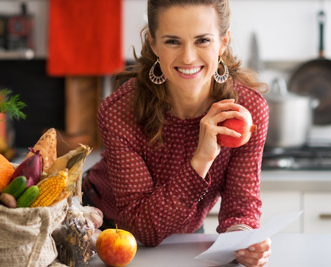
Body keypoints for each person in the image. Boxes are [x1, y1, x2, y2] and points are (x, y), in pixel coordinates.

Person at [83, 0, 271, 266]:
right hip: (102, 229)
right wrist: (201, 159)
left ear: (223, 42)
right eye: (172, 41)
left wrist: (243, 241)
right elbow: (142, 229)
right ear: (153, 43)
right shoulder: (119, 111)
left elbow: (242, 207)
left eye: (202, 40)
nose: (188, 58)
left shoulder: (247, 110)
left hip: (184, 229)